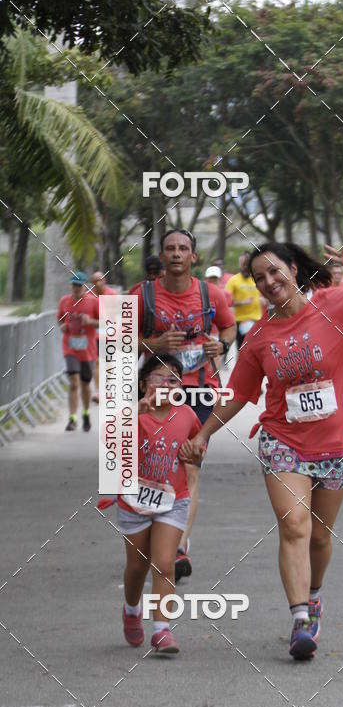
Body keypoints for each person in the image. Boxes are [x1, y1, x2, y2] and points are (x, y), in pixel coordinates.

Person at [180, 242, 343, 660]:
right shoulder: (261, 336)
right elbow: (241, 394)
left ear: (295, 270)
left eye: (274, 272)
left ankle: (314, 595)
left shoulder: (339, 305)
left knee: (320, 536)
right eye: (259, 278)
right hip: (284, 441)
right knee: (295, 525)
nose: (269, 282)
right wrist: (202, 433)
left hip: (339, 444)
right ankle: (300, 618)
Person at [138, 229, 236, 582]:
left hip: (198, 391)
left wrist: (220, 347)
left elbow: (228, 328)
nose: (177, 253)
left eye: (183, 248)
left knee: (189, 467)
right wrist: (155, 342)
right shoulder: (143, 295)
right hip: (155, 395)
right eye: (170, 249)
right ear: (161, 256)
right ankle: (153, 532)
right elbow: (118, 340)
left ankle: (178, 544)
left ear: (194, 256)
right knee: (155, 465)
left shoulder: (214, 294)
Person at [118, 354, 203, 655]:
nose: (166, 385)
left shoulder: (186, 415)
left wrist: (194, 453)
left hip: (173, 499)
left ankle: (162, 630)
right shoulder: (132, 415)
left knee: (164, 564)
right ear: (143, 384)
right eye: (158, 378)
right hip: (134, 502)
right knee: (137, 566)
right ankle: (131, 609)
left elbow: (197, 449)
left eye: (173, 379)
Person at [57, 271, 99, 432]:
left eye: (79, 285)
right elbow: (60, 317)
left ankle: (86, 414)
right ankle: (72, 418)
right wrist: (62, 326)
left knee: (85, 384)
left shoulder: (93, 302)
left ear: (85, 286)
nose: (76, 288)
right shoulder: (64, 301)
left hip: (88, 349)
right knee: (74, 382)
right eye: (74, 285)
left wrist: (91, 321)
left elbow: (105, 321)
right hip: (70, 348)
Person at [225, 253, 263, 349]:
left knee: (257, 349)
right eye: (242, 264)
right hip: (241, 321)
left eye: (246, 264)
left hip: (258, 320)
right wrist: (242, 302)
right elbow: (225, 301)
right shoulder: (233, 280)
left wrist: (264, 299)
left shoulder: (257, 279)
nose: (244, 267)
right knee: (244, 350)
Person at [91, 271, 118, 403]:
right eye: (94, 281)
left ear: (104, 281)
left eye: (99, 280)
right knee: (96, 362)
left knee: (108, 363)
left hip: (110, 333)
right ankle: (98, 391)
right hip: (94, 334)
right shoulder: (89, 296)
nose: (97, 283)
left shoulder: (113, 295)